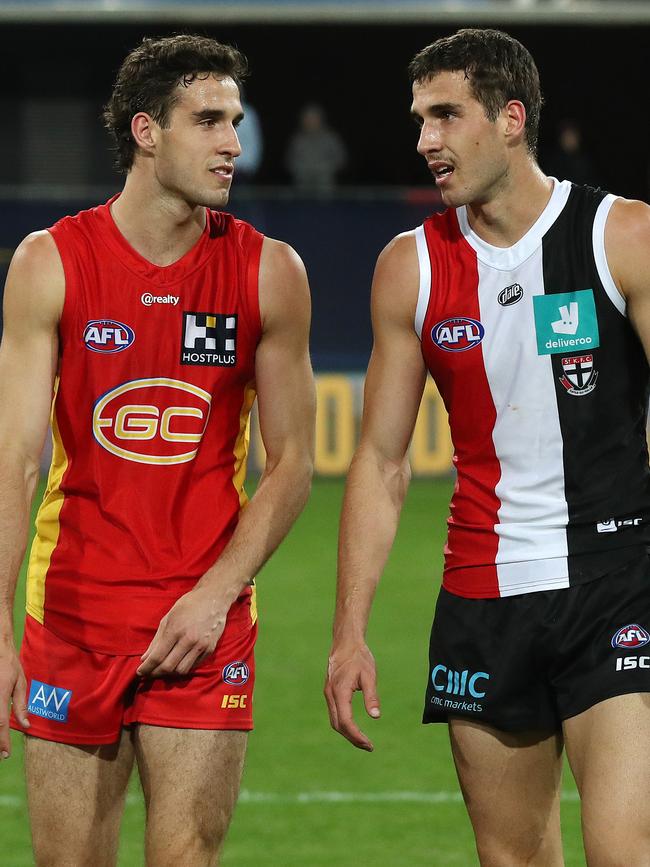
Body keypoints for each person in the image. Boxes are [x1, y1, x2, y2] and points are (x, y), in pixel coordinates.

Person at [324, 27, 650, 863]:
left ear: (510, 118)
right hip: (483, 596)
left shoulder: (623, 237)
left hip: (615, 582)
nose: (425, 140)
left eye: (445, 115)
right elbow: (382, 461)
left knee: (624, 846)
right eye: (419, 119)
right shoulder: (412, 269)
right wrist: (349, 629)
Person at [0, 34, 314, 867]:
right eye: (209, 121)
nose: (233, 145)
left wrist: (215, 593)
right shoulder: (50, 262)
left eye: (235, 122)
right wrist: (1, 628)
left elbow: (292, 466)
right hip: (69, 616)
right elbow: (14, 460)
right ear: (146, 131)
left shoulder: (268, 271)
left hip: (201, 629)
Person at [285, 103, 347, 194]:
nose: (310, 121)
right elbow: (289, 161)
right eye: (307, 118)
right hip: (302, 185)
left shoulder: (331, 138)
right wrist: (301, 169)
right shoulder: (297, 140)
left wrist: (325, 168)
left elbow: (341, 159)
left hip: (325, 187)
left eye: (314, 118)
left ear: (321, 119)